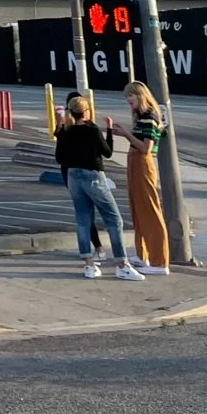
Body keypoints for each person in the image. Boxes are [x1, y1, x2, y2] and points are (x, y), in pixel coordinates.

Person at [54, 93, 140, 280]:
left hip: (72, 176)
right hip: (92, 175)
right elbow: (107, 152)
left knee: (83, 220)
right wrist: (109, 130)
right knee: (113, 219)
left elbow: (59, 157)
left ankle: (89, 265)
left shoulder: (64, 130)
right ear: (86, 111)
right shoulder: (91, 130)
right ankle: (122, 264)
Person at [124, 80, 172, 273]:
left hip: (143, 163)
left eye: (130, 96)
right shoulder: (141, 116)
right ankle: (143, 254)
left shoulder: (149, 117)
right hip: (135, 162)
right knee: (138, 208)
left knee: (150, 209)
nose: (128, 100)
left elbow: (146, 148)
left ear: (140, 95)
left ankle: (159, 261)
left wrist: (126, 134)